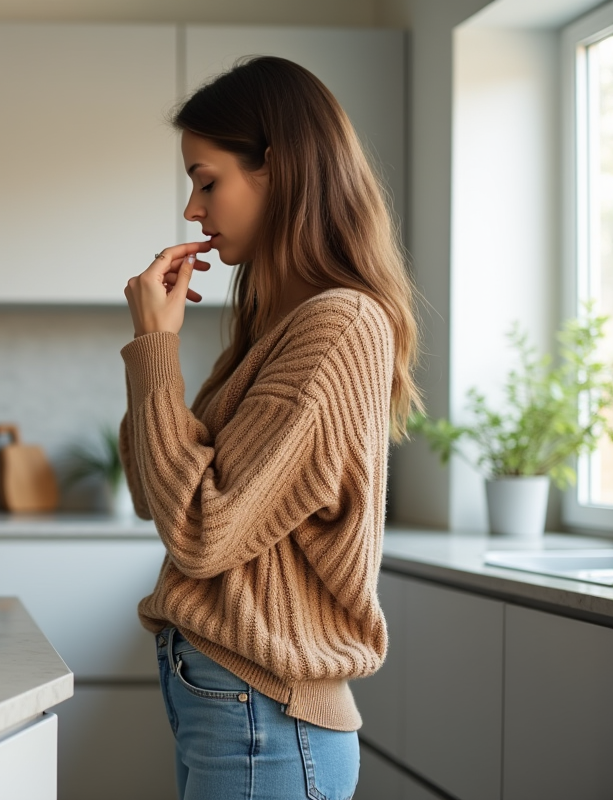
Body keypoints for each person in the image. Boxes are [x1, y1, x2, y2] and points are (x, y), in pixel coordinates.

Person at [119, 55, 421, 800]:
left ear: (278, 171)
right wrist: (151, 353)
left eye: (206, 179)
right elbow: (153, 490)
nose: (192, 210)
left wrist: (155, 348)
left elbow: (199, 531)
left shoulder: (339, 326)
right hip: (237, 701)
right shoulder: (278, 328)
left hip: (266, 710)